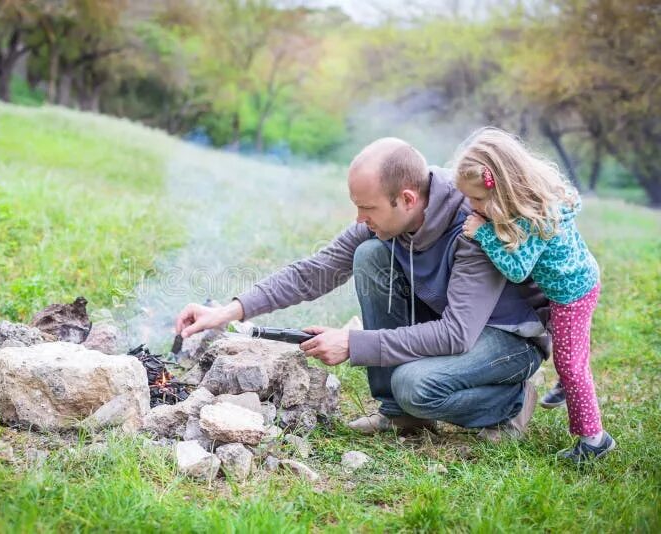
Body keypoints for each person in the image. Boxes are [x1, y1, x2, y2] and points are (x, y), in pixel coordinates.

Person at [176, 137, 551, 441]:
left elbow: (456, 334)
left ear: (407, 199)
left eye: (367, 208)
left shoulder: (472, 226)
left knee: (415, 385)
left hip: (506, 338)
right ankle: (401, 417)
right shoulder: (388, 220)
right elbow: (315, 271)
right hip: (455, 321)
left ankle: (512, 401)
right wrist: (229, 311)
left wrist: (354, 344)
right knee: (370, 254)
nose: (360, 219)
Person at [455, 127, 615, 462]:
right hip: (573, 284)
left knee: (570, 362)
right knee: (571, 351)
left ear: (504, 189)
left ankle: (594, 440)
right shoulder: (532, 202)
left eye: (480, 200)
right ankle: (568, 386)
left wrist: (484, 233)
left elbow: (517, 270)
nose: (473, 206)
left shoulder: (535, 219)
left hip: (572, 294)